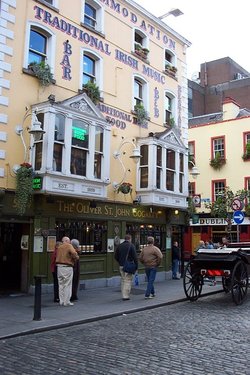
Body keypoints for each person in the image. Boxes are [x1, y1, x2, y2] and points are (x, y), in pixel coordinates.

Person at [56, 236, 79, 306]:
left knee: (61, 284)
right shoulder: (69, 246)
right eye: (69, 241)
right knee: (67, 284)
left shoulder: (59, 247)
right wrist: (76, 258)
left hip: (59, 267)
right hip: (67, 267)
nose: (70, 242)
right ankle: (66, 301)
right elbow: (74, 254)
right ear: (66, 241)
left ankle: (61, 301)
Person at [114, 234, 138, 301]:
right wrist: (136, 266)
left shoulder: (120, 246)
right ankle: (125, 296)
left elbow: (115, 256)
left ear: (125, 239)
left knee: (123, 280)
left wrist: (120, 262)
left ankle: (123, 293)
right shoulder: (131, 246)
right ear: (130, 239)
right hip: (128, 266)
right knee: (127, 280)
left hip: (121, 265)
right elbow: (135, 257)